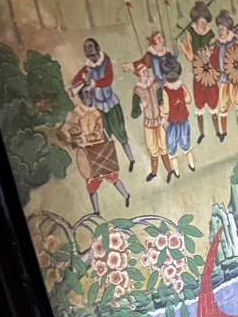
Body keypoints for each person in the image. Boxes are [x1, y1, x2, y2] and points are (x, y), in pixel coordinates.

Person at [59, 85, 129, 215]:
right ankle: (96, 211)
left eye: (92, 93)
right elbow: (71, 127)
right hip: (87, 153)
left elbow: (97, 133)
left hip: (100, 149)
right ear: (81, 96)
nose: (90, 96)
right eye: (87, 93)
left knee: (113, 177)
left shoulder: (96, 113)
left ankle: (126, 195)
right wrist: (68, 134)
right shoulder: (76, 112)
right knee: (91, 184)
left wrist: (83, 138)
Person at [72, 38, 134, 171]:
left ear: (97, 48)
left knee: (121, 133)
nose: (87, 50)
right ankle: (111, 168)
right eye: (85, 48)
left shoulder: (105, 61)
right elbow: (75, 82)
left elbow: (108, 80)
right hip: (99, 108)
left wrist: (92, 83)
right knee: (104, 137)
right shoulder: (87, 68)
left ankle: (131, 159)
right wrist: (84, 79)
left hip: (111, 104)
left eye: (90, 47)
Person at [179, 1, 220, 144]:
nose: (203, 24)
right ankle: (202, 133)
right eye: (201, 22)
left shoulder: (211, 34)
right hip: (198, 73)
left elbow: (215, 53)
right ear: (196, 22)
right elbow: (190, 55)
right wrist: (182, 47)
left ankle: (217, 132)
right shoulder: (190, 33)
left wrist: (210, 55)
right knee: (199, 103)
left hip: (210, 73)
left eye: (205, 22)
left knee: (213, 103)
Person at [210, 10, 238, 141]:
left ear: (227, 29)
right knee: (223, 104)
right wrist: (208, 57)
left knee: (236, 101)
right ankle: (224, 132)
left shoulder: (234, 42)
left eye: (222, 29)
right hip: (223, 78)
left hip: (233, 78)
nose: (220, 31)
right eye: (219, 29)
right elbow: (214, 60)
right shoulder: (217, 43)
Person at [130, 62, 173, 184]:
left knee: (163, 148)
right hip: (149, 125)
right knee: (153, 150)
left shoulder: (154, 83)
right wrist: (141, 105)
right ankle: (154, 173)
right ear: (139, 75)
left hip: (159, 122)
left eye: (146, 71)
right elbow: (134, 114)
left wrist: (163, 112)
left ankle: (169, 171)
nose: (146, 73)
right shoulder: (138, 91)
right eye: (143, 72)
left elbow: (161, 99)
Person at [160, 55, 194, 176]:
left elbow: (166, 109)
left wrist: (159, 108)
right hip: (184, 120)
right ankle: (192, 164)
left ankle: (177, 172)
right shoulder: (181, 86)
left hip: (173, 122)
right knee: (186, 143)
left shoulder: (165, 89)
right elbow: (189, 100)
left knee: (172, 146)